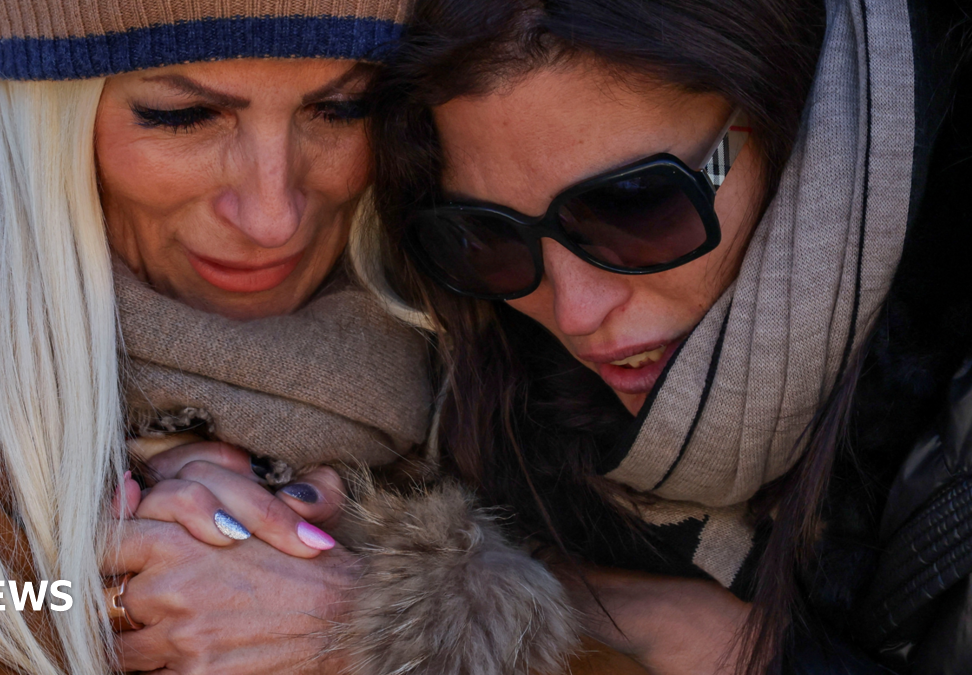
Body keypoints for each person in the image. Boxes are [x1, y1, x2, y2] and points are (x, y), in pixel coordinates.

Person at [0, 1, 584, 674]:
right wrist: (103, 601)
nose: (274, 214)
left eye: (340, 109)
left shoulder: (479, 286)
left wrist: (390, 604)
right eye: (184, 115)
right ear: (53, 109)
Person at [362, 0, 972, 672]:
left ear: (794, 127)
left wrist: (737, 651)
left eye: (633, 206)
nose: (575, 311)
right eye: (486, 238)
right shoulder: (478, 397)